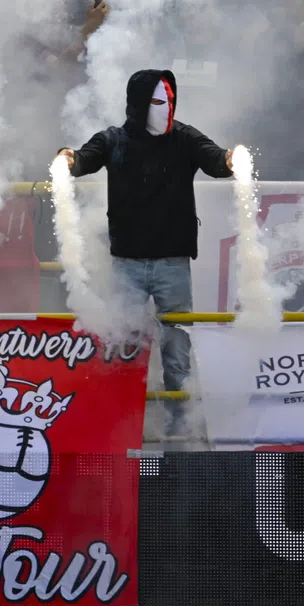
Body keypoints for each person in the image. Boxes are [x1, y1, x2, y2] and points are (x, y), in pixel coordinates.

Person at [59, 71, 235, 406]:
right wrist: (68, 158)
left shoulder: (184, 137)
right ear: (139, 104)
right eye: (157, 102)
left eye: (170, 101)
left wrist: (229, 159)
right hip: (128, 261)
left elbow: (214, 158)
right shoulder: (113, 139)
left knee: (177, 349)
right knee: (125, 345)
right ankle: (122, 419)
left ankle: (180, 423)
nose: (166, 109)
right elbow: (85, 158)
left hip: (173, 261)